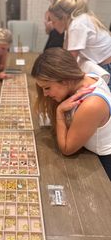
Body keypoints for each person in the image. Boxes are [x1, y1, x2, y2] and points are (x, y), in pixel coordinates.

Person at [31, 47, 111, 180]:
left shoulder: (92, 104)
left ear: (65, 80)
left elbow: (67, 148)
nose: (45, 94)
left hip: (102, 163)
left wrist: (60, 112)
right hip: (87, 151)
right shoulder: (84, 78)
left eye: (47, 88)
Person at [48, 0, 111, 89]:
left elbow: (70, 61)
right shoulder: (75, 22)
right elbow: (67, 54)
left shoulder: (77, 25)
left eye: (53, 21)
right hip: (102, 64)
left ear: (63, 18)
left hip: (106, 67)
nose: (52, 24)